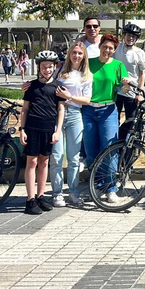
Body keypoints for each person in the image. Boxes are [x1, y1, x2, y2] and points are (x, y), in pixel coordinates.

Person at [82, 33, 130, 203]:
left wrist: (125, 85)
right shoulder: (89, 63)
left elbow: (121, 90)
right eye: (105, 46)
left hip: (108, 111)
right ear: (100, 46)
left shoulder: (118, 66)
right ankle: (96, 185)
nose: (107, 50)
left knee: (110, 149)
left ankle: (110, 188)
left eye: (111, 48)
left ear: (114, 50)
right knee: (91, 150)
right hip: (88, 110)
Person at [18, 50, 66, 214]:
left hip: (48, 130)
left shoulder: (57, 87)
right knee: (31, 162)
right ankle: (30, 199)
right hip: (32, 129)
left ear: (55, 67)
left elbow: (61, 110)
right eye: (44, 67)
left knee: (44, 161)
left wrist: (57, 131)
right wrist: (22, 129)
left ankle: (40, 196)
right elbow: (25, 109)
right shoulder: (31, 86)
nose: (47, 70)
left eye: (50, 67)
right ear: (39, 67)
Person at [50, 41, 93, 207]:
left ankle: (73, 191)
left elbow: (87, 100)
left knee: (74, 158)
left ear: (84, 56)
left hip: (75, 115)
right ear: (69, 54)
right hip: (58, 114)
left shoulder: (87, 76)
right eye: (74, 52)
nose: (76, 56)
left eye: (80, 53)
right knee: (57, 156)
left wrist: (69, 97)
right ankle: (57, 193)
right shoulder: (60, 70)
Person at [114, 23, 145, 126]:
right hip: (116, 90)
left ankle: (127, 142)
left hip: (132, 91)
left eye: (133, 36)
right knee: (114, 119)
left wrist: (140, 93)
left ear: (136, 39)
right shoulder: (117, 48)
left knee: (131, 121)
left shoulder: (140, 52)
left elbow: (142, 74)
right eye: (128, 35)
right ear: (123, 36)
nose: (130, 38)